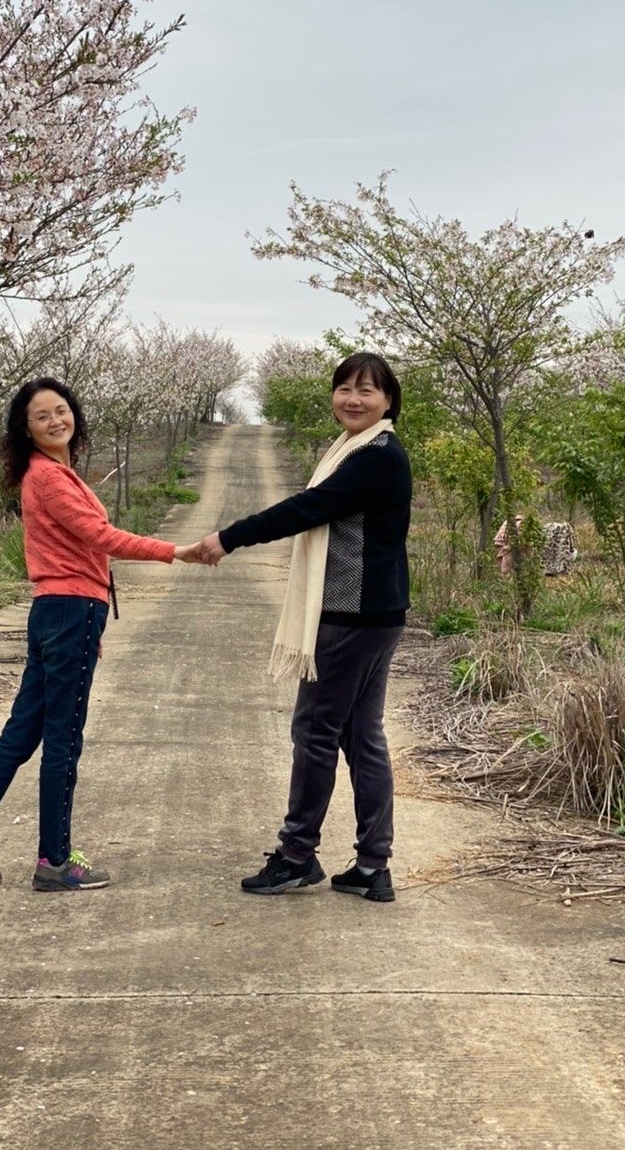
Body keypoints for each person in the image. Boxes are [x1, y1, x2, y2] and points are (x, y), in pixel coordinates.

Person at [0, 377, 204, 892]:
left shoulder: (53, 472)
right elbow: (100, 537)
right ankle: (55, 862)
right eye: (42, 416)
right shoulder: (50, 478)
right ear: (26, 430)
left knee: (21, 735)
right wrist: (176, 551)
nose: (56, 420)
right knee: (62, 740)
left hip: (58, 611)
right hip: (69, 610)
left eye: (62, 410)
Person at [196, 352, 411, 903]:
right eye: (344, 388)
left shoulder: (376, 459)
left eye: (367, 390)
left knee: (315, 731)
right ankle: (371, 865)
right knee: (361, 737)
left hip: (350, 618)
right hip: (373, 616)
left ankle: (296, 854)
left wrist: (229, 537)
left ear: (389, 401)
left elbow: (306, 509)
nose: (353, 399)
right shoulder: (358, 451)